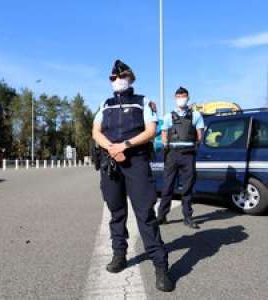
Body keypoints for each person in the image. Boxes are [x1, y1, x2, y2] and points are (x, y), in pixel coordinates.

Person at [92, 59, 174, 292]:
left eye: (122, 76)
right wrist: (111, 148)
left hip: (136, 161)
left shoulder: (143, 102)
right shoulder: (104, 104)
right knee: (116, 212)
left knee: (145, 214)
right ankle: (120, 255)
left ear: (131, 78)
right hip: (111, 162)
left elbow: (151, 130)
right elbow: (95, 131)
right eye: (113, 78)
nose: (117, 80)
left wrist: (124, 145)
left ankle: (160, 265)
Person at [157, 87, 204, 229]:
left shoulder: (196, 115)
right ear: (175, 98)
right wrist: (166, 145)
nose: (181, 98)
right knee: (167, 186)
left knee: (188, 187)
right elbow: (164, 134)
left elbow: (200, 136)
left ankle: (188, 217)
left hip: (188, 155)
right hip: (172, 154)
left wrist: (192, 145)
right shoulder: (168, 116)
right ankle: (162, 216)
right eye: (178, 96)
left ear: (188, 97)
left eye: (183, 96)